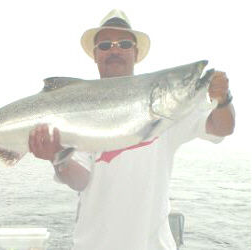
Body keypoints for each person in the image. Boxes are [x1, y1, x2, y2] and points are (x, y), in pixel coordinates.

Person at [28, 9, 235, 250]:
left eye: (124, 43)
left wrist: (224, 99)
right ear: (95, 55)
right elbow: (80, 180)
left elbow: (221, 128)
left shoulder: (171, 111)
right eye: (105, 45)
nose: (114, 50)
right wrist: (57, 157)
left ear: (135, 53)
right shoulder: (80, 111)